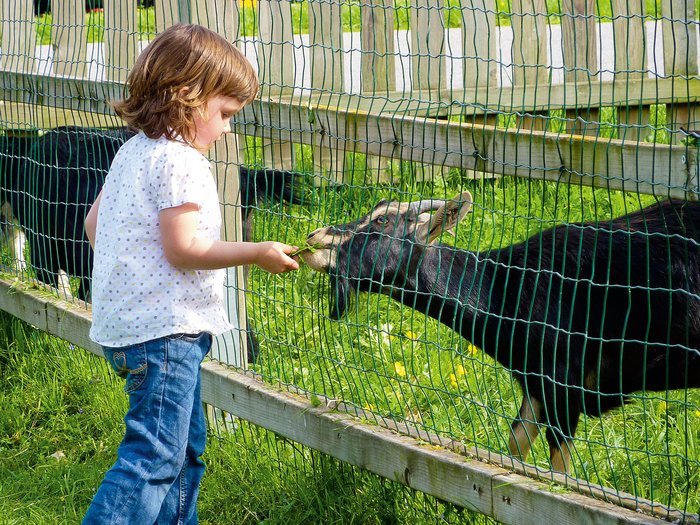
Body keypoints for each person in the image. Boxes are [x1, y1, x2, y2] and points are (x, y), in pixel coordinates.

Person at [82, 23, 299, 524]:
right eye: (223, 114)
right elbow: (184, 249)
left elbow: (96, 224)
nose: (226, 129)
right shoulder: (182, 162)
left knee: (183, 452)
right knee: (154, 457)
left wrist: (133, 276)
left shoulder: (132, 151)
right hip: (166, 335)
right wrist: (257, 251)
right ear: (187, 96)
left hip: (131, 330)